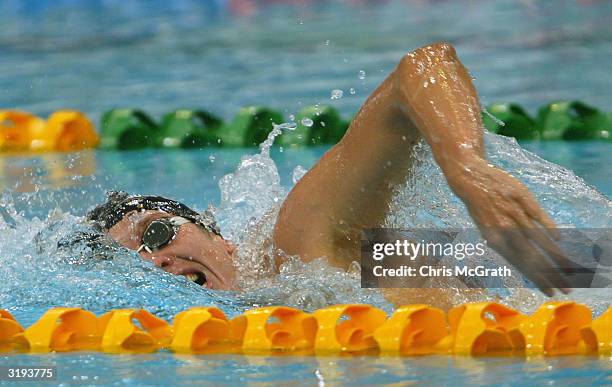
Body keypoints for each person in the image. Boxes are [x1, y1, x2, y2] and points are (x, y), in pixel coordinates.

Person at [88, 42, 571, 308]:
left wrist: (466, 167)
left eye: (156, 234)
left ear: (218, 234)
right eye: (133, 264)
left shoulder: (293, 245)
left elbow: (423, 67)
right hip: (554, 272)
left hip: (561, 285)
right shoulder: (260, 303)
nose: (157, 262)